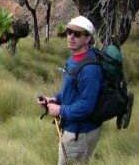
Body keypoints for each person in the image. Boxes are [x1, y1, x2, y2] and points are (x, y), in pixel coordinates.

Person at [38, 16, 103, 165]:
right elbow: (71, 91)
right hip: (73, 129)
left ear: (87, 39)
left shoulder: (90, 69)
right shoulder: (74, 59)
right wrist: (54, 99)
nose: (71, 37)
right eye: (69, 32)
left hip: (79, 134)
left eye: (77, 34)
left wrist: (60, 110)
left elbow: (87, 105)